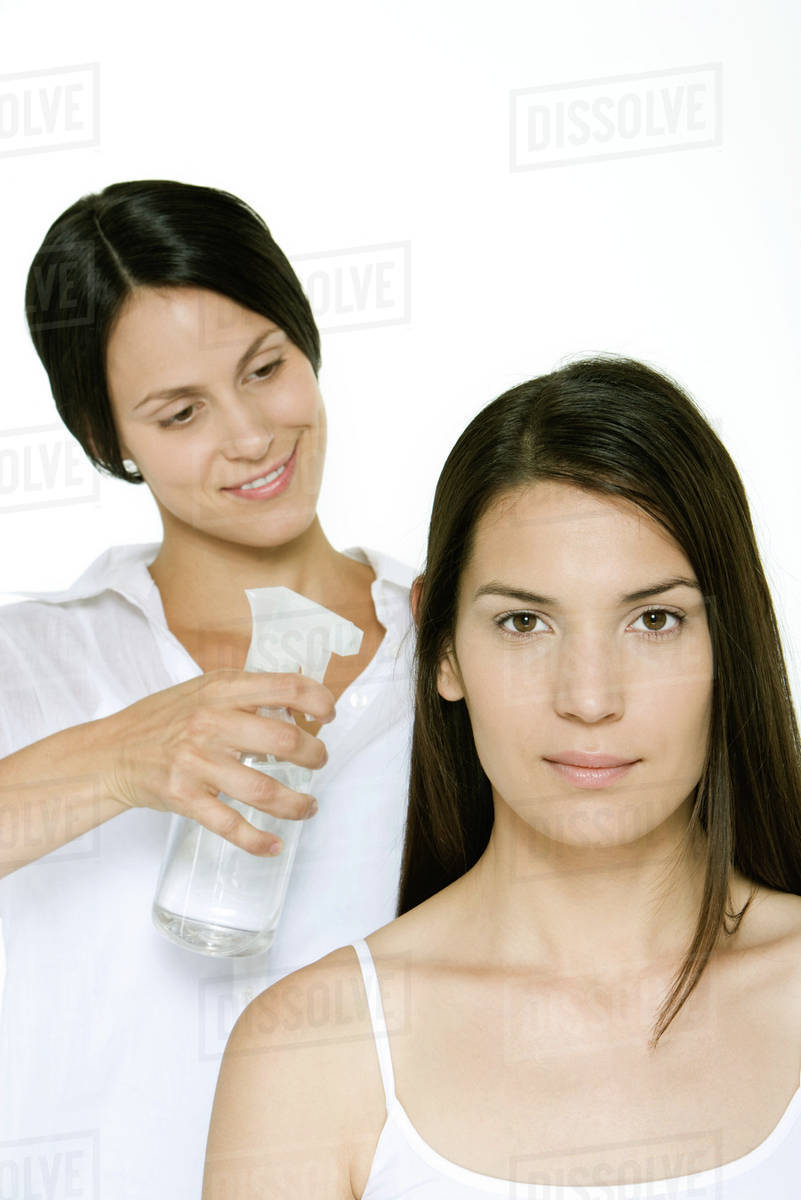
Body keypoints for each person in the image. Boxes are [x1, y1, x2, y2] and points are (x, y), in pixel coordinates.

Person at [206, 356, 801, 1198]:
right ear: (443, 645)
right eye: (523, 622)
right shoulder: (313, 1052)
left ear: (727, 640)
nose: (589, 698)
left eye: (654, 620)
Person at [0, 180, 415, 1199]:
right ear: (107, 442)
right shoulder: (33, 660)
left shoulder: (456, 649)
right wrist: (115, 757)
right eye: (180, 413)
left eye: (265, 368)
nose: (251, 435)